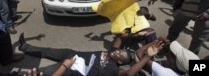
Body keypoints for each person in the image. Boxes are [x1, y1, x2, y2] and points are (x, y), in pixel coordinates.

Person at [18, 33, 163, 76]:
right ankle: (25, 47)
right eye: (120, 50)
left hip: (71, 69)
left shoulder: (113, 70)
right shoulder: (112, 52)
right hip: (72, 54)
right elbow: (120, 38)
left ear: (120, 62)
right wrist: (135, 35)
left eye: (120, 54)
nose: (118, 51)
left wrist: (146, 57)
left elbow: (130, 73)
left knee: (43, 72)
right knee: (49, 51)